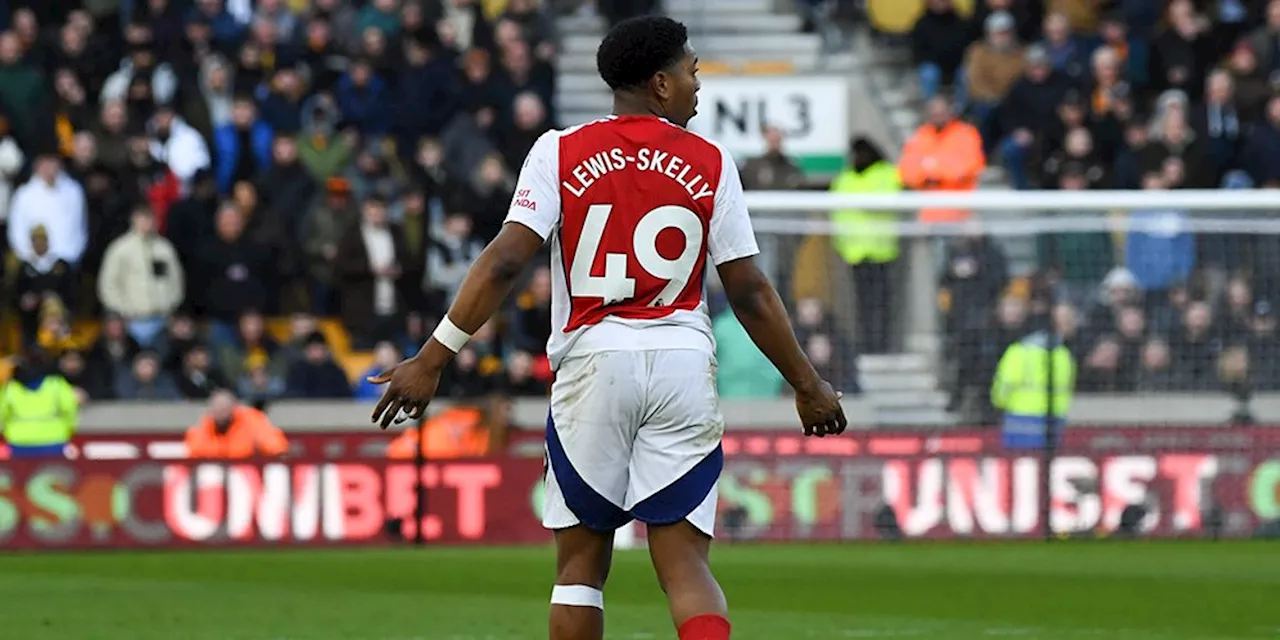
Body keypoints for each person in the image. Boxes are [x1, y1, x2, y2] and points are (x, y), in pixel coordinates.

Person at [367, 16, 846, 640]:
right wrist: (807, 384)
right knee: (685, 566)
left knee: (580, 570)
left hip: (594, 359)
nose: (697, 83)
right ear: (660, 84)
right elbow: (750, 291)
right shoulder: (710, 160)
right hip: (680, 359)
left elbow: (507, 258)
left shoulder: (558, 151)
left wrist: (433, 357)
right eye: (690, 71)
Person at [0, 348, 79, 460]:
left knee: (21, 476)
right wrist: (69, 431)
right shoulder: (56, 384)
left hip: (18, 443)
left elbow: (2, 414)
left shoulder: (10, 388)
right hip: (54, 442)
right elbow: (70, 409)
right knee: (53, 475)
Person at [184, 388, 289, 459]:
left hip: (248, 475)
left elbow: (277, 448)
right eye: (216, 409)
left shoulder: (252, 420)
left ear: (234, 407)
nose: (220, 413)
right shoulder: (204, 425)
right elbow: (193, 453)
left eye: (224, 409)